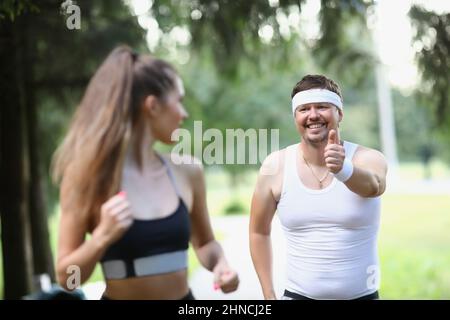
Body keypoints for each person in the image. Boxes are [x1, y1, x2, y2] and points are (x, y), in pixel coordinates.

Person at [52, 45, 239, 300]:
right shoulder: (88, 179)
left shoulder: (188, 171)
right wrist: (101, 238)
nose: (184, 114)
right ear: (152, 106)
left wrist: (221, 265)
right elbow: (66, 278)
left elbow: (205, 244)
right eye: (179, 101)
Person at [249, 74, 387, 300]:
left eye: (322, 107)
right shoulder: (275, 166)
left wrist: (344, 169)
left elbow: (374, 186)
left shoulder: (368, 158)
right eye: (304, 109)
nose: (313, 115)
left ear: (339, 113)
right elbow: (258, 231)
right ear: (295, 116)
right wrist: (268, 294)